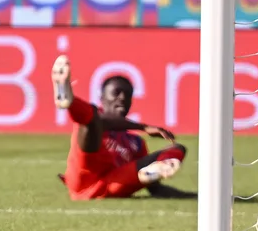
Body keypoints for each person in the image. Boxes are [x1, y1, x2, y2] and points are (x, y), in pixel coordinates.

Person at [51, 55, 193, 200]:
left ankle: (165, 164)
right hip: (83, 178)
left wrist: (193, 196)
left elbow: (154, 188)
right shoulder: (96, 118)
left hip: (114, 184)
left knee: (178, 148)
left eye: (127, 94)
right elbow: (103, 120)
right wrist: (143, 127)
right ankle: (68, 98)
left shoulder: (136, 143)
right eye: (116, 92)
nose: (122, 97)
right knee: (91, 121)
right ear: (102, 99)